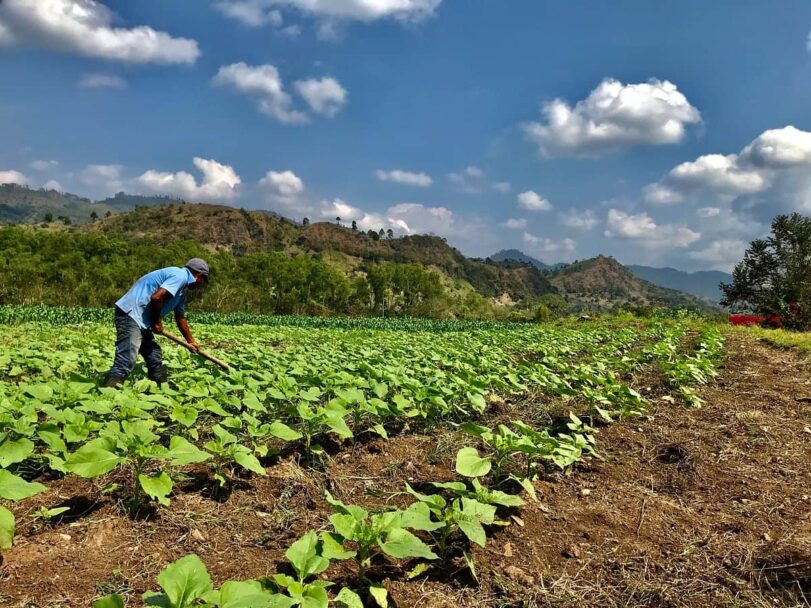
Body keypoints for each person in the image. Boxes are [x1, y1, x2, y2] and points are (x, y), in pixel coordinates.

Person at [103, 258, 210, 387]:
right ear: (199, 275)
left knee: (153, 355)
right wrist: (157, 322)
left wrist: (190, 341)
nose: (201, 284)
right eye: (203, 280)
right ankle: (107, 395)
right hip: (131, 315)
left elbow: (180, 317)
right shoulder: (180, 275)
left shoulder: (180, 293)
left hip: (142, 321)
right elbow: (156, 297)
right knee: (126, 360)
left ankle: (162, 389)